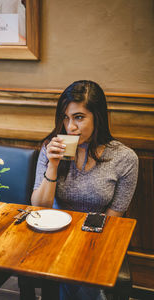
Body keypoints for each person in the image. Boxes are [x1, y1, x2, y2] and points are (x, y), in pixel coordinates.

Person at [31, 80, 139, 300]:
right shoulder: (50, 148)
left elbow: (114, 217)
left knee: (79, 271)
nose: (70, 127)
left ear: (98, 117)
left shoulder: (124, 158)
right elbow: (39, 206)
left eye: (79, 117)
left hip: (97, 236)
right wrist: (52, 165)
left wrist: (81, 246)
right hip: (54, 234)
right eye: (65, 117)